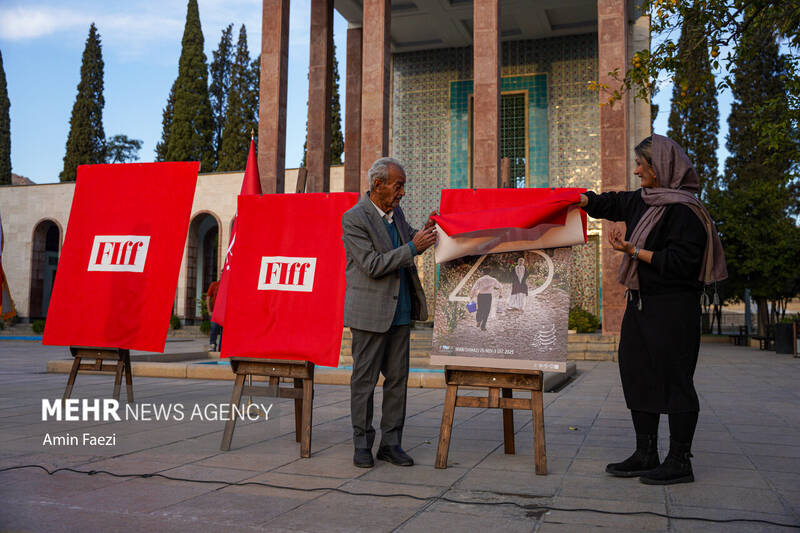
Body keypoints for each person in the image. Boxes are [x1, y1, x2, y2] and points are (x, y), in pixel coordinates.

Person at [577, 134, 726, 485]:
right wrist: (580, 199)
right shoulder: (644, 201)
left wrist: (632, 252)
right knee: (637, 373)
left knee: (674, 379)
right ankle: (646, 452)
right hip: (641, 305)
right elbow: (611, 204)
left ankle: (679, 460)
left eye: (641, 165)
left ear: (659, 168)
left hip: (673, 309)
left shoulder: (685, 210)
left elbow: (681, 263)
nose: (636, 170)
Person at [342, 157, 437, 468]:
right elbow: (371, 264)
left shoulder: (396, 214)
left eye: (404, 186)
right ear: (378, 184)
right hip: (370, 314)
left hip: (401, 310)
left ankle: (391, 444)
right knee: (364, 381)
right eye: (399, 186)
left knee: (398, 380)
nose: (402, 193)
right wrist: (413, 248)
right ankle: (362, 444)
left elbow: (410, 237)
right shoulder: (354, 219)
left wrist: (426, 231)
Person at [206, 279, 222, 352]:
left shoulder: (229, 285)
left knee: (223, 331)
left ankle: (221, 347)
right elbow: (208, 297)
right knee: (214, 328)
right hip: (215, 311)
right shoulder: (214, 284)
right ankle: (212, 344)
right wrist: (209, 310)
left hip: (225, 312)